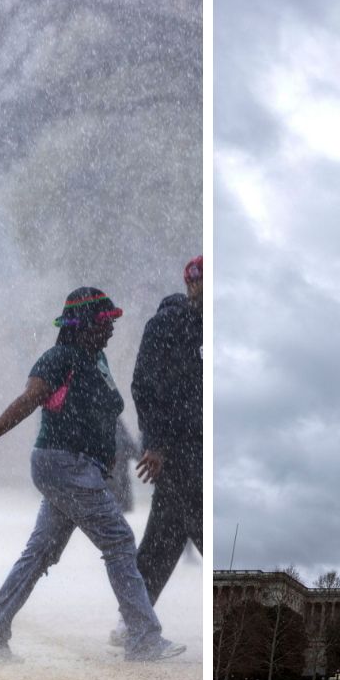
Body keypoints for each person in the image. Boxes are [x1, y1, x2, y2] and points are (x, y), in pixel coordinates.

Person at [0, 287, 185, 662]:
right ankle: (143, 637)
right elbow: (25, 403)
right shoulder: (59, 358)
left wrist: (114, 456)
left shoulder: (97, 360)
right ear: (80, 327)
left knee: (39, 554)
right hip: (64, 465)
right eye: (103, 323)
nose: (110, 330)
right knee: (119, 541)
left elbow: (106, 414)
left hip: (79, 468)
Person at [112, 256, 203, 646]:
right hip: (181, 448)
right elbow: (146, 386)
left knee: (167, 533)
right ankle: (134, 623)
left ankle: (133, 620)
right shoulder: (167, 324)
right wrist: (157, 444)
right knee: (185, 529)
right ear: (191, 284)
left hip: (197, 446)